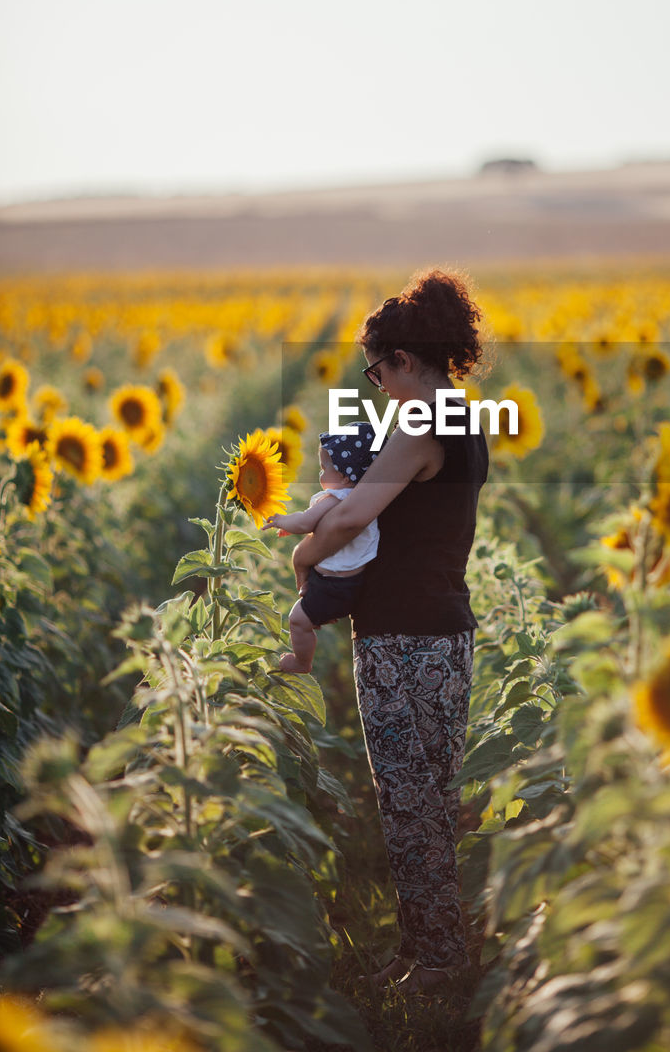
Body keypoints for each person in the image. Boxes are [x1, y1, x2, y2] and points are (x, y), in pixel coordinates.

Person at [290, 268, 489, 997]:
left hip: (404, 634)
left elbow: (348, 518)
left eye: (376, 373)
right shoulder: (461, 417)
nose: (375, 389)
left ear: (403, 360)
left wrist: (302, 555)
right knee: (423, 801)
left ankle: (436, 962)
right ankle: (428, 950)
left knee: (410, 803)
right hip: (439, 627)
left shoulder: (420, 421)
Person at [266, 424, 379, 674]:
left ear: (346, 475)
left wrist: (282, 520)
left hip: (333, 584)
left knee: (297, 620)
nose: (320, 475)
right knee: (309, 611)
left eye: (324, 467)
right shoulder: (367, 501)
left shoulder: (335, 499)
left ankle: (301, 662)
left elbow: (306, 521)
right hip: (356, 582)